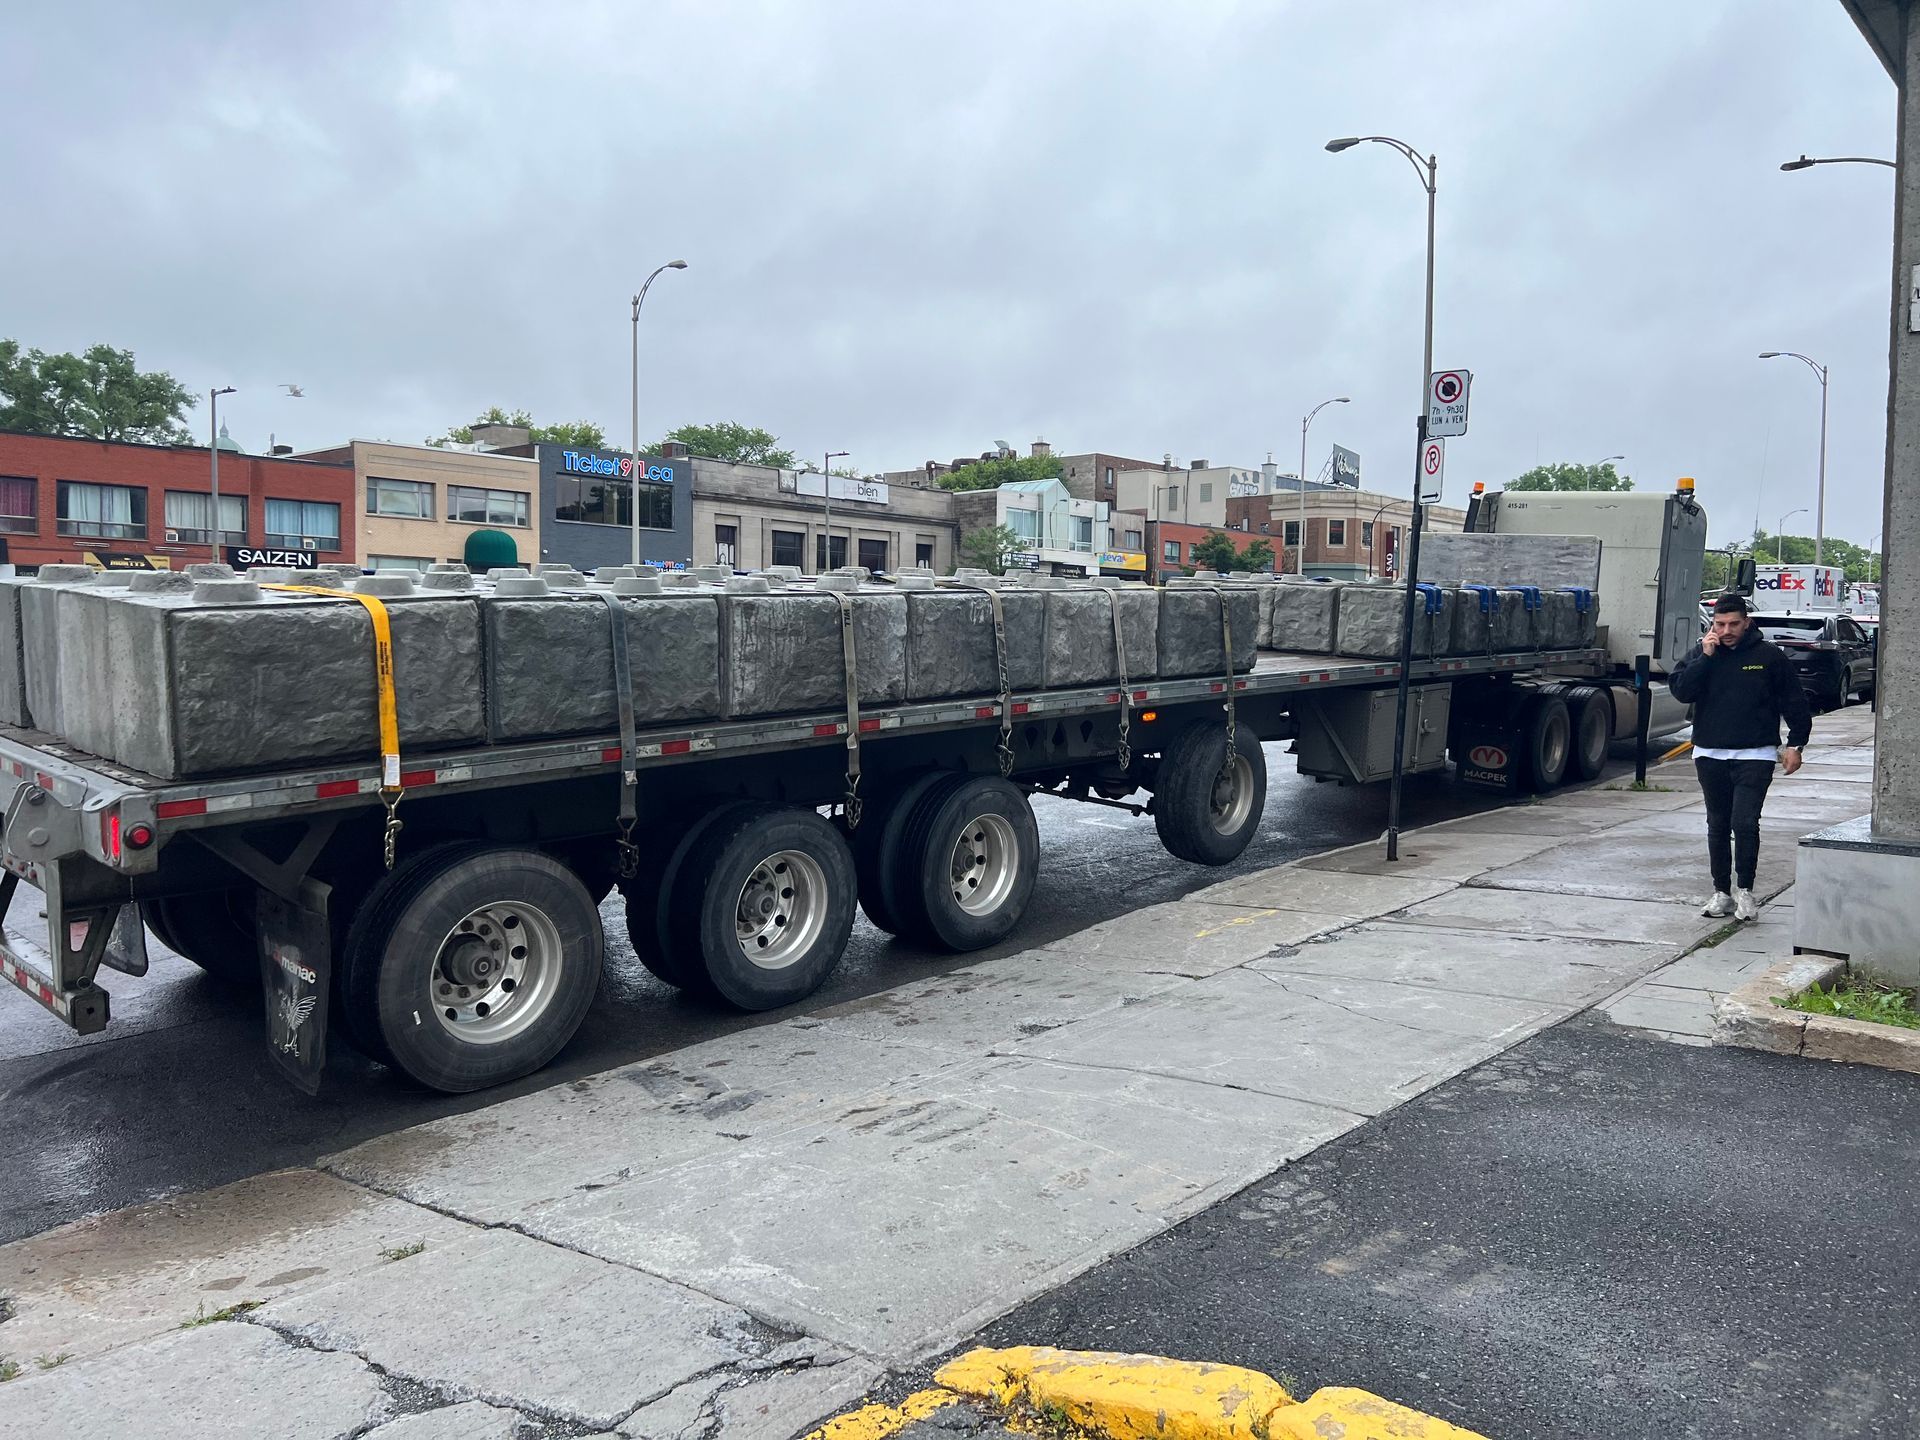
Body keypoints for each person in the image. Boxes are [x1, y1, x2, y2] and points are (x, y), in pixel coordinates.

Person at [1668, 593, 1813, 920]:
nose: (1727, 630)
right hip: (1709, 753)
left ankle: (1745, 891)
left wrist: (1796, 744)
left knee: (1744, 822)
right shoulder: (1702, 654)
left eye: (1734, 623)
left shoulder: (1768, 656)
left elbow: (1794, 702)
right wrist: (1705, 657)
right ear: (1713, 624)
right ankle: (1721, 892)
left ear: (1747, 622)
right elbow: (1681, 691)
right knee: (1717, 824)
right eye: (1720, 624)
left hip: (1756, 754)